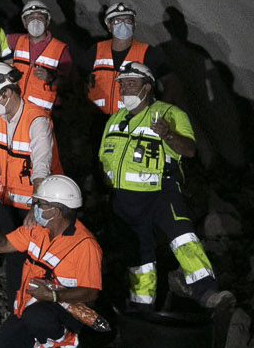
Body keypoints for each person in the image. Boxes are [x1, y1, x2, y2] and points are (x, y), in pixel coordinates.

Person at [97, 61, 232, 310]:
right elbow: (105, 158)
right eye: (122, 84)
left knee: (183, 238)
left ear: (147, 87)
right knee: (139, 256)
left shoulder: (170, 114)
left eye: (131, 84)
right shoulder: (114, 120)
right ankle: (142, 307)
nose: (125, 89)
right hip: (125, 199)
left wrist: (167, 134)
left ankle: (207, 293)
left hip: (161, 192)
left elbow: (190, 150)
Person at [0, 174, 103, 348]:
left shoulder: (85, 245)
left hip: (67, 308)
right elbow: (2, 245)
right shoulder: (37, 229)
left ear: (56, 211)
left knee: (37, 317)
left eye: (40, 204)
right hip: (32, 305)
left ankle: (69, 344)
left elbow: (91, 292)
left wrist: (52, 295)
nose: (34, 208)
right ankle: (48, 341)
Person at [0, 60, 57, 306]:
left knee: (37, 256)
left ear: (7, 93)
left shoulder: (36, 120)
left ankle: (39, 307)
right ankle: (16, 306)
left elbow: (42, 168)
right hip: (8, 199)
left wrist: (36, 206)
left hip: (36, 202)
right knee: (13, 257)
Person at [87, 1, 152, 116]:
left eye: (128, 21)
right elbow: (75, 75)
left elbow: (170, 81)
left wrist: (157, 110)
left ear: (134, 25)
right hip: (97, 120)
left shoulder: (146, 52)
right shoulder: (96, 49)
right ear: (109, 26)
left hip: (131, 120)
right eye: (117, 21)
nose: (123, 25)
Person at [8, 0, 70, 112]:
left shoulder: (60, 49)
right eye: (31, 18)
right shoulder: (16, 40)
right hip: (16, 109)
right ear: (24, 23)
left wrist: (51, 78)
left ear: (47, 22)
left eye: (40, 18)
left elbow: (68, 84)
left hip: (42, 114)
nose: (35, 22)